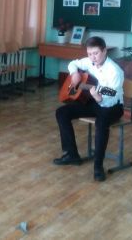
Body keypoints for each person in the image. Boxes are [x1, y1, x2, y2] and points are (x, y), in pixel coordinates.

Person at [53, 36, 124, 182]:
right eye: (89, 54)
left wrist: (98, 97)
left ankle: (98, 167)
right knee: (62, 112)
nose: (93, 57)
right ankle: (71, 154)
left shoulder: (115, 72)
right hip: (94, 101)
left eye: (96, 53)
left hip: (113, 106)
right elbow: (73, 63)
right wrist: (74, 74)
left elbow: (109, 101)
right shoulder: (89, 61)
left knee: (101, 123)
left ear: (104, 51)